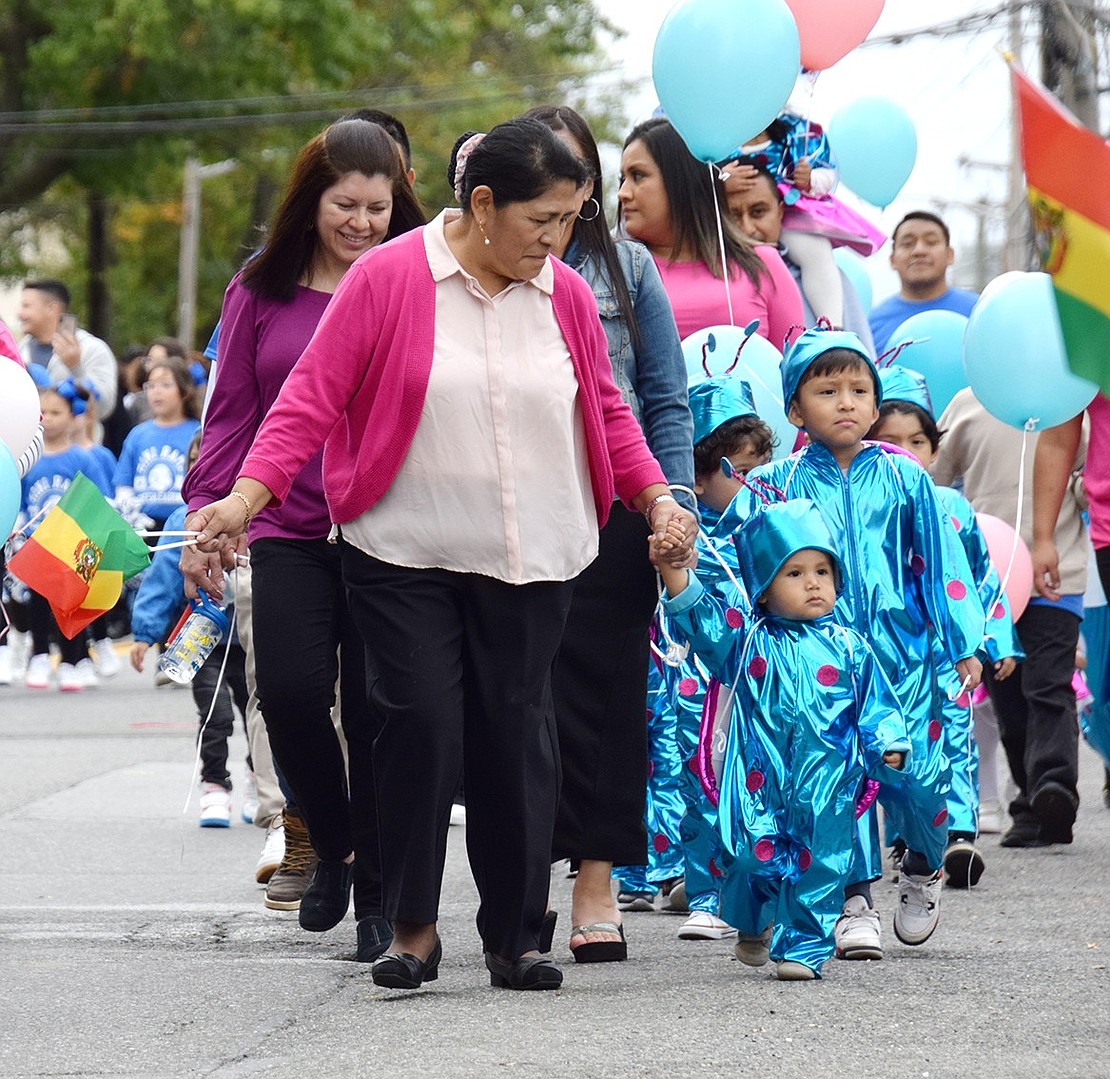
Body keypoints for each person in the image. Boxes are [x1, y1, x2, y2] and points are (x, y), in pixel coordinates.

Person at [186, 117, 698, 992]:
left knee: (516, 729)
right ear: (484, 203)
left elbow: (608, 411)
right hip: (403, 545)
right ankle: (414, 927)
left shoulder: (564, 294)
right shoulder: (391, 277)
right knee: (418, 718)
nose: (558, 239)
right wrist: (240, 498)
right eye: (544, 219)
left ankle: (514, 933)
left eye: (572, 218)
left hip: (533, 549)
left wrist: (656, 497)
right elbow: (309, 400)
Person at [181, 118, 426, 948]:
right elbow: (232, 413)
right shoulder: (260, 289)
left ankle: (380, 896)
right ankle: (335, 838)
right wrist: (209, 511)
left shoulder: (417, 277)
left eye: (378, 207)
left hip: (388, 523)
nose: (362, 223)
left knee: (374, 711)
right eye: (344, 206)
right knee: (286, 691)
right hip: (284, 520)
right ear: (309, 202)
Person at [713, 327, 985, 959]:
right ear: (794, 409)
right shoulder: (773, 484)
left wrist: (964, 641)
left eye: (859, 389)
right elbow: (734, 559)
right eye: (827, 389)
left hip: (906, 659)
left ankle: (922, 865)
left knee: (920, 778)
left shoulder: (905, 475)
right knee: (836, 780)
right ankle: (853, 899)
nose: (846, 402)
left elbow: (941, 563)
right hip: (816, 664)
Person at [523, 104, 695, 962]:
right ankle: (521, 875)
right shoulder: (494, 266)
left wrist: (673, 503)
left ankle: (597, 878)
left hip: (619, 511)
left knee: (611, 697)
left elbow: (662, 397)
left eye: (577, 173)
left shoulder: (628, 269)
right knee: (524, 694)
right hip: (515, 511)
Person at [658, 498, 909, 979]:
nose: (813, 582)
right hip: (757, 777)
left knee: (822, 863)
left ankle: (804, 949)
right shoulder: (749, 640)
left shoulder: (851, 646)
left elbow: (877, 705)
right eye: (793, 573)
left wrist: (887, 745)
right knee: (749, 855)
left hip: (828, 780)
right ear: (763, 590)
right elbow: (705, 625)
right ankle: (753, 921)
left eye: (821, 570)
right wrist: (675, 574)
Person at [624, 377, 774, 940]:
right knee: (694, 773)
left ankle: (753, 888)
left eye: (760, 470)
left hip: (755, 672)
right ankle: (700, 888)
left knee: (757, 778)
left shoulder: (770, 527)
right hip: (687, 673)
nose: (754, 484)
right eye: (742, 472)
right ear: (698, 472)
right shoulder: (675, 533)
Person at [868, 366, 1021, 887]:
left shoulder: (952, 506)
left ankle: (958, 835)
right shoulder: (866, 508)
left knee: (954, 735)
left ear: (935, 450)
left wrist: (993, 639)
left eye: (917, 441)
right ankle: (907, 837)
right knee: (893, 744)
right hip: (886, 650)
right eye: (889, 441)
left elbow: (980, 578)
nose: (905, 451)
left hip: (946, 651)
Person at [972, 394, 1093, 846]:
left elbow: (1087, 486)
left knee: (1047, 684)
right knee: (1008, 694)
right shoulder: (969, 405)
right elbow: (938, 477)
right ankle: (1030, 803)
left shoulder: (1071, 411)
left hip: (1057, 575)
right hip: (990, 580)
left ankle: (1055, 786)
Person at [130, 432, 251, 827]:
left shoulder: (259, 513)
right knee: (215, 717)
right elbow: (162, 578)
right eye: (199, 460)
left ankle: (258, 780)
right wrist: (145, 632)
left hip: (250, 636)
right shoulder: (181, 519)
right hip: (202, 637)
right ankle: (215, 785)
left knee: (259, 714)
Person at [618, 118, 804, 346]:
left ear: (681, 179)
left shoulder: (763, 263)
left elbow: (796, 371)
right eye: (622, 179)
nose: (622, 193)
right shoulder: (616, 273)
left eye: (638, 176)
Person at [720, 112, 884, 328]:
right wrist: (719, 179)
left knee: (816, 251)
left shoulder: (798, 132)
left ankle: (832, 329)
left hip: (793, 216)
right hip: (721, 225)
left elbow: (827, 172)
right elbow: (691, 178)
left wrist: (810, 179)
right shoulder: (713, 140)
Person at [17, 387, 113, 692]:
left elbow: (100, 499)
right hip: (37, 546)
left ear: (73, 417)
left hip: (72, 549)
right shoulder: (26, 459)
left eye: (57, 412)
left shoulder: (81, 459)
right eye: (43, 413)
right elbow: (17, 499)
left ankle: (73, 661)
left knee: (71, 605)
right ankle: (40, 655)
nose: (49, 419)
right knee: (38, 603)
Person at [722, 164, 875, 352]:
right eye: (733, 215)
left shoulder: (826, 283)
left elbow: (859, 363)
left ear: (780, 212)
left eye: (758, 212)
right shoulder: (709, 281)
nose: (747, 228)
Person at [869, 212, 978, 352]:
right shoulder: (871, 324)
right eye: (907, 244)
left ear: (950, 255)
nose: (919, 251)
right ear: (892, 260)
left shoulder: (978, 313)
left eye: (931, 242)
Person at [114, 356, 201, 533]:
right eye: (150, 386)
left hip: (183, 526)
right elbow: (124, 484)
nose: (156, 392)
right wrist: (131, 513)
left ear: (184, 391)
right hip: (143, 526)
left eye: (166, 385)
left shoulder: (197, 432)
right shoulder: (138, 434)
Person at [16, 280, 118, 421]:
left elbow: (105, 407)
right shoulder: (19, 350)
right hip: (30, 441)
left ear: (52, 308)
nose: (19, 314)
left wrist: (76, 368)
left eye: (26, 306)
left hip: (75, 442)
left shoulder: (92, 349)